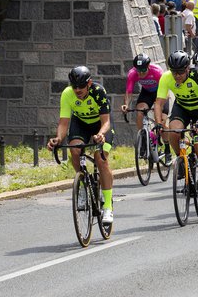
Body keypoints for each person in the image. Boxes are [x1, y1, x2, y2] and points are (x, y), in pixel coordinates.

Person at [47, 66, 116, 225]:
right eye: (74, 86)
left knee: (101, 160)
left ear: (89, 83)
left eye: (81, 86)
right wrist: (58, 138)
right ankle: (83, 185)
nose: (77, 90)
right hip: (81, 124)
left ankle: (107, 206)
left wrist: (100, 134)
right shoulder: (67, 94)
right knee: (75, 151)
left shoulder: (98, 91)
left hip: (100, 125)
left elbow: (106, 122)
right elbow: (64, 123)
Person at [155, 51, 198, 213]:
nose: (177, 76)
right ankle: (182, 159)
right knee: (173, 131)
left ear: (188, 68)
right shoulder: (166, 77)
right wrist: (159, 123)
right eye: (174, 72)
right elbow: (159, 103)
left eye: (180, 72)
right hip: (182, 108)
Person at [122, 54, 164, 137]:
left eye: (143, 70)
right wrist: (126, 105)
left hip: (160, 92)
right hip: (146, 92)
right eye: (138, 70)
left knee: (160, 118)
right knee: (140, 112)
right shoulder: (132, 73)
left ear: (148, 66)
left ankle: (166, 145)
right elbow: (129, 92)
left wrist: (158, 104)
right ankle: (143, 138)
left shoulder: (157, 71)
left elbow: (163, 90)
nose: (140, 73)